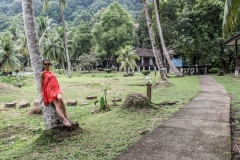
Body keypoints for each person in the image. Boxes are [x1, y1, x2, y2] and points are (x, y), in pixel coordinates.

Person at [40, 59, 71, 127]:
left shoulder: (52, 72)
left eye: (48, 64)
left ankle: (65, 114)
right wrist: (43, 95)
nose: (47, 65)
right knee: (56, 105)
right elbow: (42, 85)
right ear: (43, 65)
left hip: (56, 89)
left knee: (60, 98)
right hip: (49, 91)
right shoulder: (42, 73)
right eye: (45, 64)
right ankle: (64, 119)